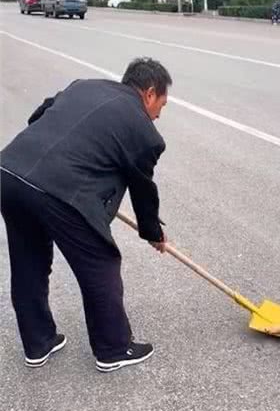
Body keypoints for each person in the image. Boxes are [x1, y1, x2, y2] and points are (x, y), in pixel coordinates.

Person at [0, 57, 172, 372]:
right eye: (162, 103)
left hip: (10, 173)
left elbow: (39, 116)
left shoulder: (84, 86)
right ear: (149, 93)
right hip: (59, 191)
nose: (159, 114)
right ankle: (113, 348)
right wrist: (153, 233)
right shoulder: (144, 132)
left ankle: (38, 343)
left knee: (28, 263)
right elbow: (142, 190)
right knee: (100, 263)